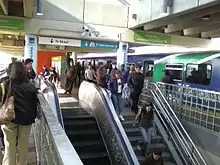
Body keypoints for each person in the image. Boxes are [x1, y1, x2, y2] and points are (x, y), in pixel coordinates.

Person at [1, 61, 38, 165]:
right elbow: (34, 103)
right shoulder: (31, 86)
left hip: (9, 119)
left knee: (9, 146)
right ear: (24, 71)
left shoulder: (5, 84)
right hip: (26, 120)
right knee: (23, 146)